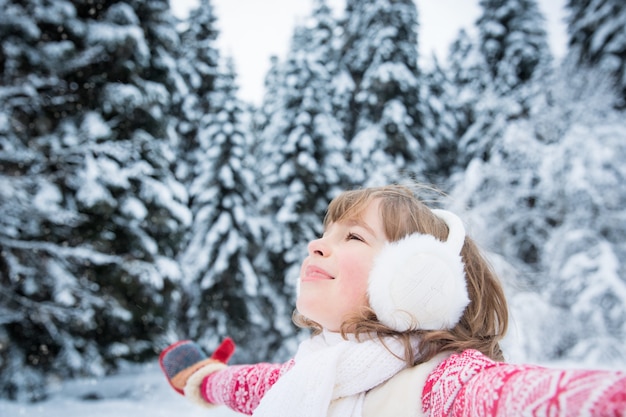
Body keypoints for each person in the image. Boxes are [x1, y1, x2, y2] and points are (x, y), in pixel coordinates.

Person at [159, 184, 626, 416]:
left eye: (354, 237)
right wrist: (202, 376)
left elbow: (532, 397)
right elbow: (243, 386)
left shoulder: (444, 380)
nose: (316, 246)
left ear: (413, 277)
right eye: (324, 235)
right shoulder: (309, 375)